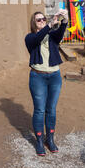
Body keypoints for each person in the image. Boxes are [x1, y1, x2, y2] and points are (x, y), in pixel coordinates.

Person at [25, 9, 69, 156]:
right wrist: (49, 24)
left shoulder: (51, 35)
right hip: (38, 77)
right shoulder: (30, 37)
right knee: (39, 110)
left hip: (55, 76)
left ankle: (49, 139)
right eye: (39, 20)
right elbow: (38, 38)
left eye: (43, 18)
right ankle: (38, 141)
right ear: (34, 23)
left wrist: (64, 20)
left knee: (51, 109)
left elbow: (60, 33)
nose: (42, 21)